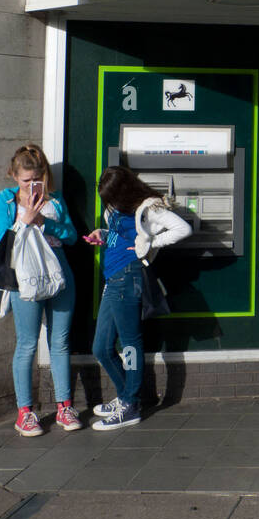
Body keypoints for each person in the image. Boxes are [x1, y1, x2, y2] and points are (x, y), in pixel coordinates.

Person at [86, 166, 192, 430]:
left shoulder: (149, 208)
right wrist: (104, 233)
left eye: (112, 197)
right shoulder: (120, 207)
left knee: (130, 345)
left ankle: (131, 405)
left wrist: (151, 244)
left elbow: (183, 229)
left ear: (124, 191)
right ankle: (127, 397)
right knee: (101, 347)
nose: (109, 203)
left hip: (129, 278)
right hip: (113, 281)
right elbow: (121, 234)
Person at [0, 143, 79, 436]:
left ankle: (65, 407)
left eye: (36, 179)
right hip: (24, 277)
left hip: (59, 274)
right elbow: (3, 243)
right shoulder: (4, 202)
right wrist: (25, 219)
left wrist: (46, 222)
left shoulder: (55, 201)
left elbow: (71, 236)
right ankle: (25, 412)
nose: (31, 185)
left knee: (61, 341)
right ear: (14, 176)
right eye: (26, 180)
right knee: (27, 343)